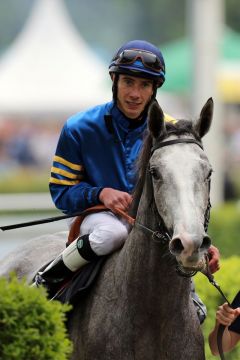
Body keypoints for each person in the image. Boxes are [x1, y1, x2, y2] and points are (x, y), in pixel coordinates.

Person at [36, 40, 220, 318]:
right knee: (113, 233)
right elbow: (61, 193)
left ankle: (190, 297)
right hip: (98, 220)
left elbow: (183, 196)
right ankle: (48, 279)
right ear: (114, 79)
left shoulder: (170, 131)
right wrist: (100, 194)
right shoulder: (79, 128)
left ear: (154, 88)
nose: (135, 93)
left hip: (153, 224)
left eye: (144, 85)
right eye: (128, 82)